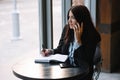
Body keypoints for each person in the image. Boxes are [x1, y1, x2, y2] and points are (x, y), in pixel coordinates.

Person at [41, 5, 101, 80]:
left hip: (82, 75)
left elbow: (86, 62)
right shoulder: (67, 29)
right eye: (69, 17)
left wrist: (78, 41)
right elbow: (60, 49)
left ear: (81, 19)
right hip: (66, 70)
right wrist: (50, 51)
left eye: (73, 17)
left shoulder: (92, 35)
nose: (69, 21)